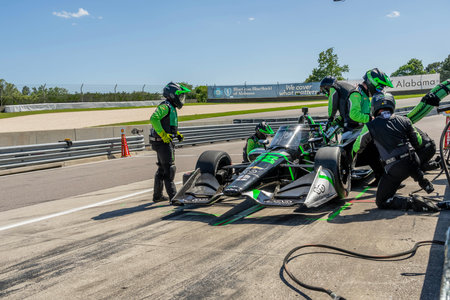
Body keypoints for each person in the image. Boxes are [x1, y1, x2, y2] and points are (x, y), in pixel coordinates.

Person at [352, 92, 438, 212]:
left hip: (395, 168)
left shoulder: (370, 125)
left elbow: (357, 147)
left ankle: (412, 203)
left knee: (381, 201)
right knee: (411, 163)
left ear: (374, 107)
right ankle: (423, 182)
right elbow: (418, 141)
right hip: (413, 160)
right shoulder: (405, 120)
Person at [149, 82, 190, 202]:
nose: (181, 99)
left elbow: (167, 123)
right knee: (169, 169)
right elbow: (154, 118)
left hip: (161, 141)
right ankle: (175, 198)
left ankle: (157, 196)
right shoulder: (165, 106)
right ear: (172, 95)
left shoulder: (170, 106)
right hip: (163, 142)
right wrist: (163, 135)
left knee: (162, 169)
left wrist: (176, 134)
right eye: (180, 96)